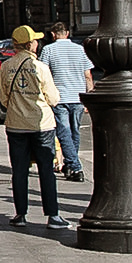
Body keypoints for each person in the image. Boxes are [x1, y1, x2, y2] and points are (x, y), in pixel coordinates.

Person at [0, 27, 70, 229]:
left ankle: (20, 214)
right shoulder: (40, 67)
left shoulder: (6, 66)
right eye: (35, 41)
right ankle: (53, 215)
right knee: (46, 169)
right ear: (29, 44)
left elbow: (3, 98)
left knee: (19, 170)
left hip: (15, 124)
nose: (37, 43)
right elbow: (54, 99)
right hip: (42, 125)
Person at [41, 21, 91, 181]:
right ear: (67, 33)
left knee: (63, 133)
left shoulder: (48, 50)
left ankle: (75, 167)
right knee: (74, 132)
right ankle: (71, 165)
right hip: (78, 97)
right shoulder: (80, 49)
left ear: (53, 34)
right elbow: (88, 74)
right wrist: (89, 95)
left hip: (59, 97)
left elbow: (43, 74)